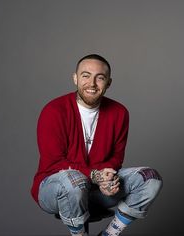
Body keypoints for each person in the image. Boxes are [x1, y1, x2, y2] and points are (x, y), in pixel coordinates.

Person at [31, 54, 163, 236]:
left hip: (97, 191)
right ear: (75, 78)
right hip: (54, 188)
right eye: (85, 75)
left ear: (108, 83)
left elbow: (116, 157)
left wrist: (108, 179)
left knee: (150, 178)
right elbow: (55, 163)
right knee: (74, 182)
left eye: (100, 78)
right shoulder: (54, 111)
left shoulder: (119, 112)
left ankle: (110, 234)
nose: (92, 84)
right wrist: (95, 175)